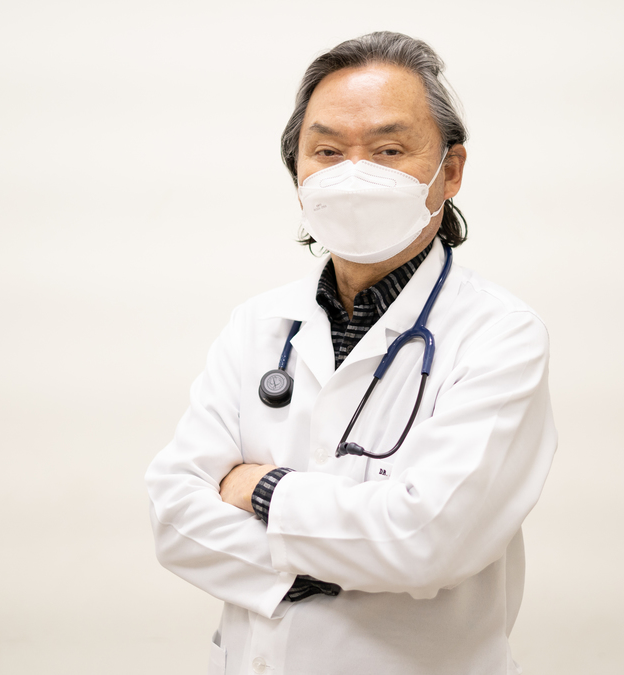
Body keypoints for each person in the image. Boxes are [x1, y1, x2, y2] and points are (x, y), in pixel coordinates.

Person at [145, 31, 557, 675]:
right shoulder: (258, 325)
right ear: (298, 175)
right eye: (328, 151)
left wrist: (261, 491)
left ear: (449, 171)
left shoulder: (500, 334)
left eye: (389, 150)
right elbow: (174, 514)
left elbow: (428, 540)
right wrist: (328, 564)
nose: (354, 174)